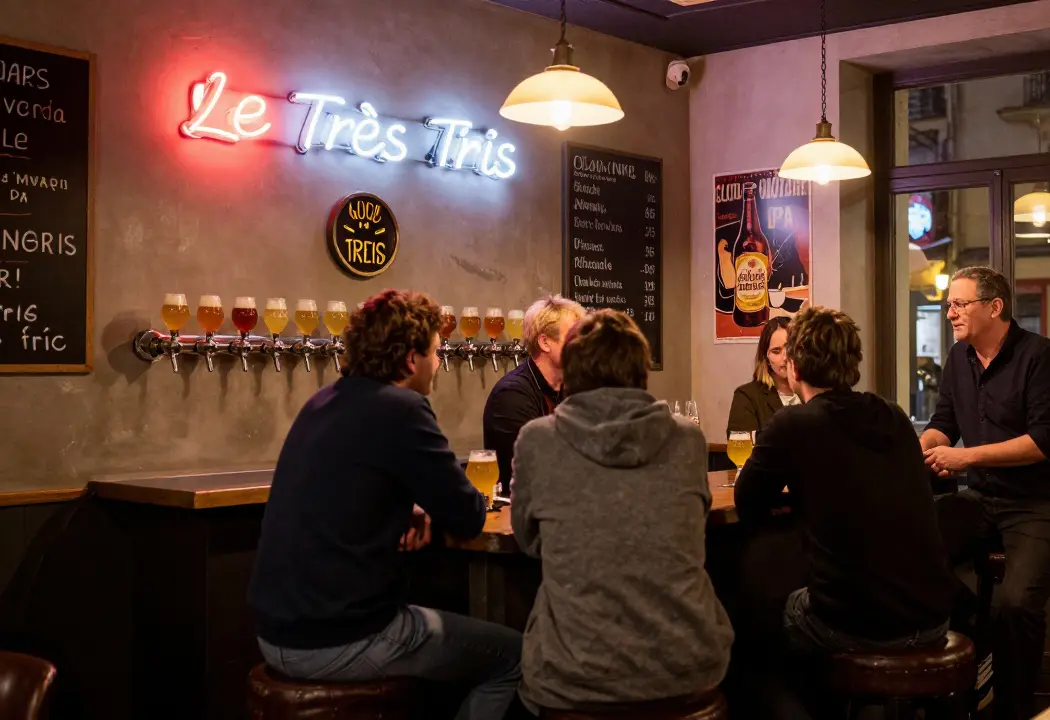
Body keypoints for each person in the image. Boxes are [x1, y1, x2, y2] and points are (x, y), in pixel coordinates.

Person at [248, 289, 522, 720]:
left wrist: (406, 507)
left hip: (276, 632)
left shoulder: (323, 402)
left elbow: (350, 491)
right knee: (517, 659)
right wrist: (425, 505)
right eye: (435, 351)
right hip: (338, 639)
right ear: (411, 359)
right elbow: (468, 515)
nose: (438, 364)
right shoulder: (402, 408)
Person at [733, 306, 953, 719]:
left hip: (859, 625)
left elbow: (748, 501)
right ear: (852, 363)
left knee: (761, 620)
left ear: (794, 367)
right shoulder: (893, 415)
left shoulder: (793, 423)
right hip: (934, 616)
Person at [511, 309, 733, 714]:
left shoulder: (538, 440)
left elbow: (528, 540)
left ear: (572, 371)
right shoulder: (686, 438)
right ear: (641, 370)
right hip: (686, 667)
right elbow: (694, 525)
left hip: (573, 675)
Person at [921, 266, 1050, 720]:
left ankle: (1012, 711)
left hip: (1046, 503)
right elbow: (944, 425)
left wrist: (967, 458)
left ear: (995, 307)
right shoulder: (959, 359)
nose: (950, 313)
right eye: (948, 305)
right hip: (984, 499)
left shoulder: (1043, 358)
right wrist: (919, 448)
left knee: (1015, 604)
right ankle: (981, 640)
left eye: (960, 304)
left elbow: (1044, 442)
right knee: (910, 553)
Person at [483, 295, 586, 496]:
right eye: (574, 337)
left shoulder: (575, 388)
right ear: (545, 342)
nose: (583, 345)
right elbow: (536, 470)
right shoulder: (511, 396)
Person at [727, 316, 796, 436]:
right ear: (766, 358)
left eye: (790, 348)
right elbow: (740, 446)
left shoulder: (814, 393)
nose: (785, 358)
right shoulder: (747, 396)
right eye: (776, 351)